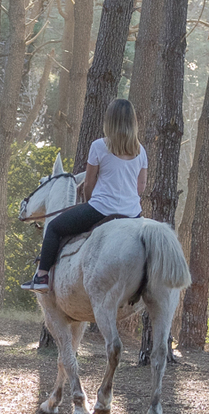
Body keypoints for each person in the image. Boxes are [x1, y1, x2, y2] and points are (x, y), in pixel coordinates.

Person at [22, 98, 147, 291]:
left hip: (101, 209)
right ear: (133, 121)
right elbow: (141, 186)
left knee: (55, 227)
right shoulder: (141, 151)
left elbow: (88, 183)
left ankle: (42, 277)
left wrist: (89, 203)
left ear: (110, 120)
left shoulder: (99, 146)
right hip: (133, 214)